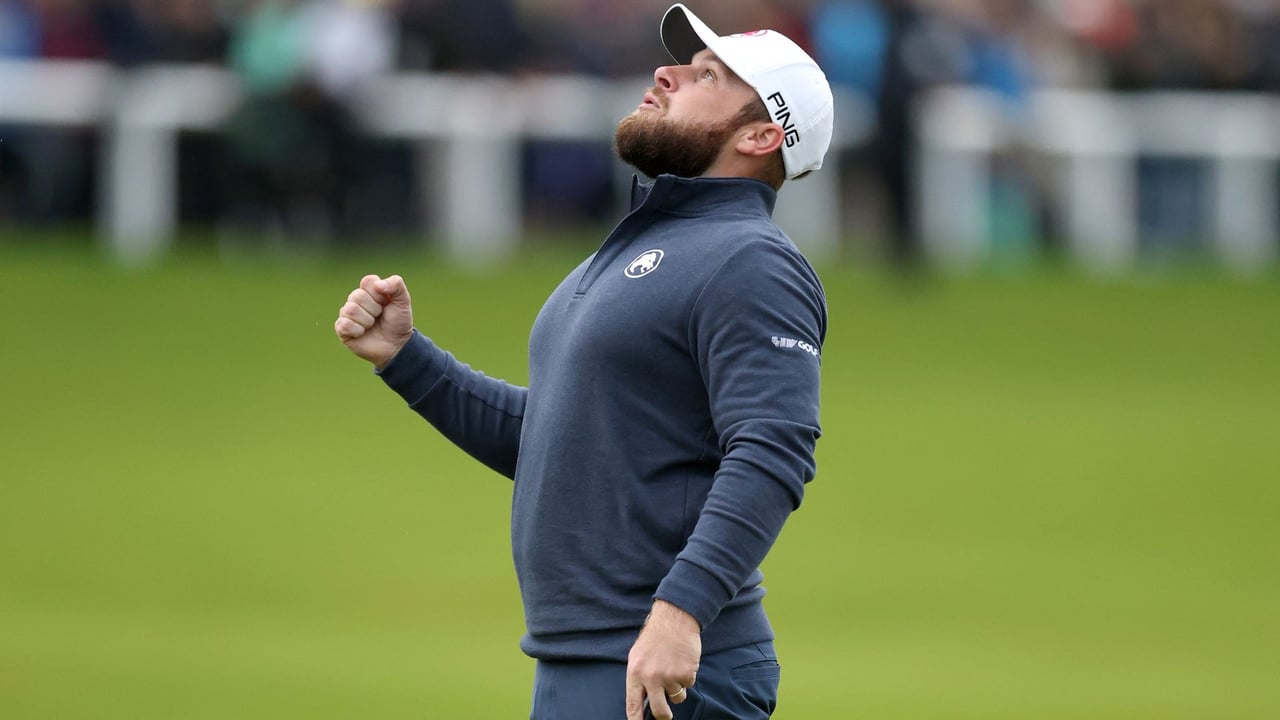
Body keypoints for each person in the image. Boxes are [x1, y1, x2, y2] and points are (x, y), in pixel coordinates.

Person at [334, 4, 833, 718]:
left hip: (662, 667)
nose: (665, 75)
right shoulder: (639, 248)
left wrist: (681, 612)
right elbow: (564, 438)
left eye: (704, 76)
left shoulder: (751, 261)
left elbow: (773, 449)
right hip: (589, 657)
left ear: (759, 134)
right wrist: (408, 361)